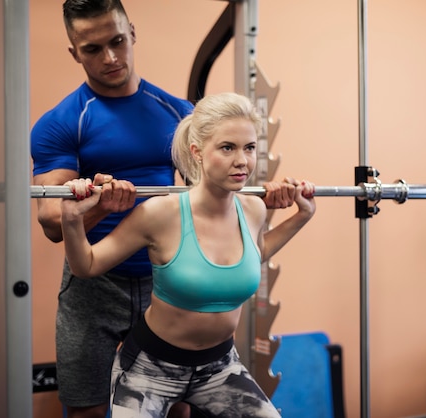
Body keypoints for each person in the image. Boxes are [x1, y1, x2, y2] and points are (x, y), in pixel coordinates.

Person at [60, 92, 317, 417]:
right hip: (150, 369)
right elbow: (87, 265)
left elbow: (255, 252)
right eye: (228, 148)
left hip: (220, 367)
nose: (243, 161)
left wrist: (302, 216)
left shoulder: (252, 209)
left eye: (249, 148)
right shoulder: (160, 213)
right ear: (197, 152)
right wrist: (71, 220)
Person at [30, 1, 195, 417]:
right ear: (74, 52)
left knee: (174, 408)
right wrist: (101, 207)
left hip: (166, 275)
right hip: (94, 283)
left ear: (132, 33)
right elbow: (51, 223)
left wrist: (277, 198)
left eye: (117, 41)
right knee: (86, 407)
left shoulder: (180, 114)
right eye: (92, 49)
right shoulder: (61, 123)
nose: (109, 58)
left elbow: (211, 199)